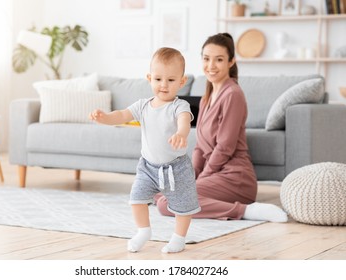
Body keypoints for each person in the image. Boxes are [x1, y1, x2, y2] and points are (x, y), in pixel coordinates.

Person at [156, 33, 288, 223]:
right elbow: (201, 148)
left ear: (231, 61)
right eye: (206, 59)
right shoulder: (206, 97)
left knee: (166, 202)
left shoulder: (233, 94)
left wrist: (200, 180)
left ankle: (246, 211)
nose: (211, 66)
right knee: (159, 193)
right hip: (214, 174)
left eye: (219, 60)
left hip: (235, 177)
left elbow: (225, 147)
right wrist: (190, 177)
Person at [89, 47, 200, 253]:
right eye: (158, 79)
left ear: (182, 82)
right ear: (149, 78)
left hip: (176, 169)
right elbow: (122, 115)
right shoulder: (143, 105)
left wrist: (181, 134)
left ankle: (179, 238)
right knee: (136, 198)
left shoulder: (180, 106)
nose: (163, 85)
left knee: (184, 206)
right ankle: (143, 231)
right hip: (148, 167)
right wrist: (104, 118)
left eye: (171, 80)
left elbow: (184, 122)